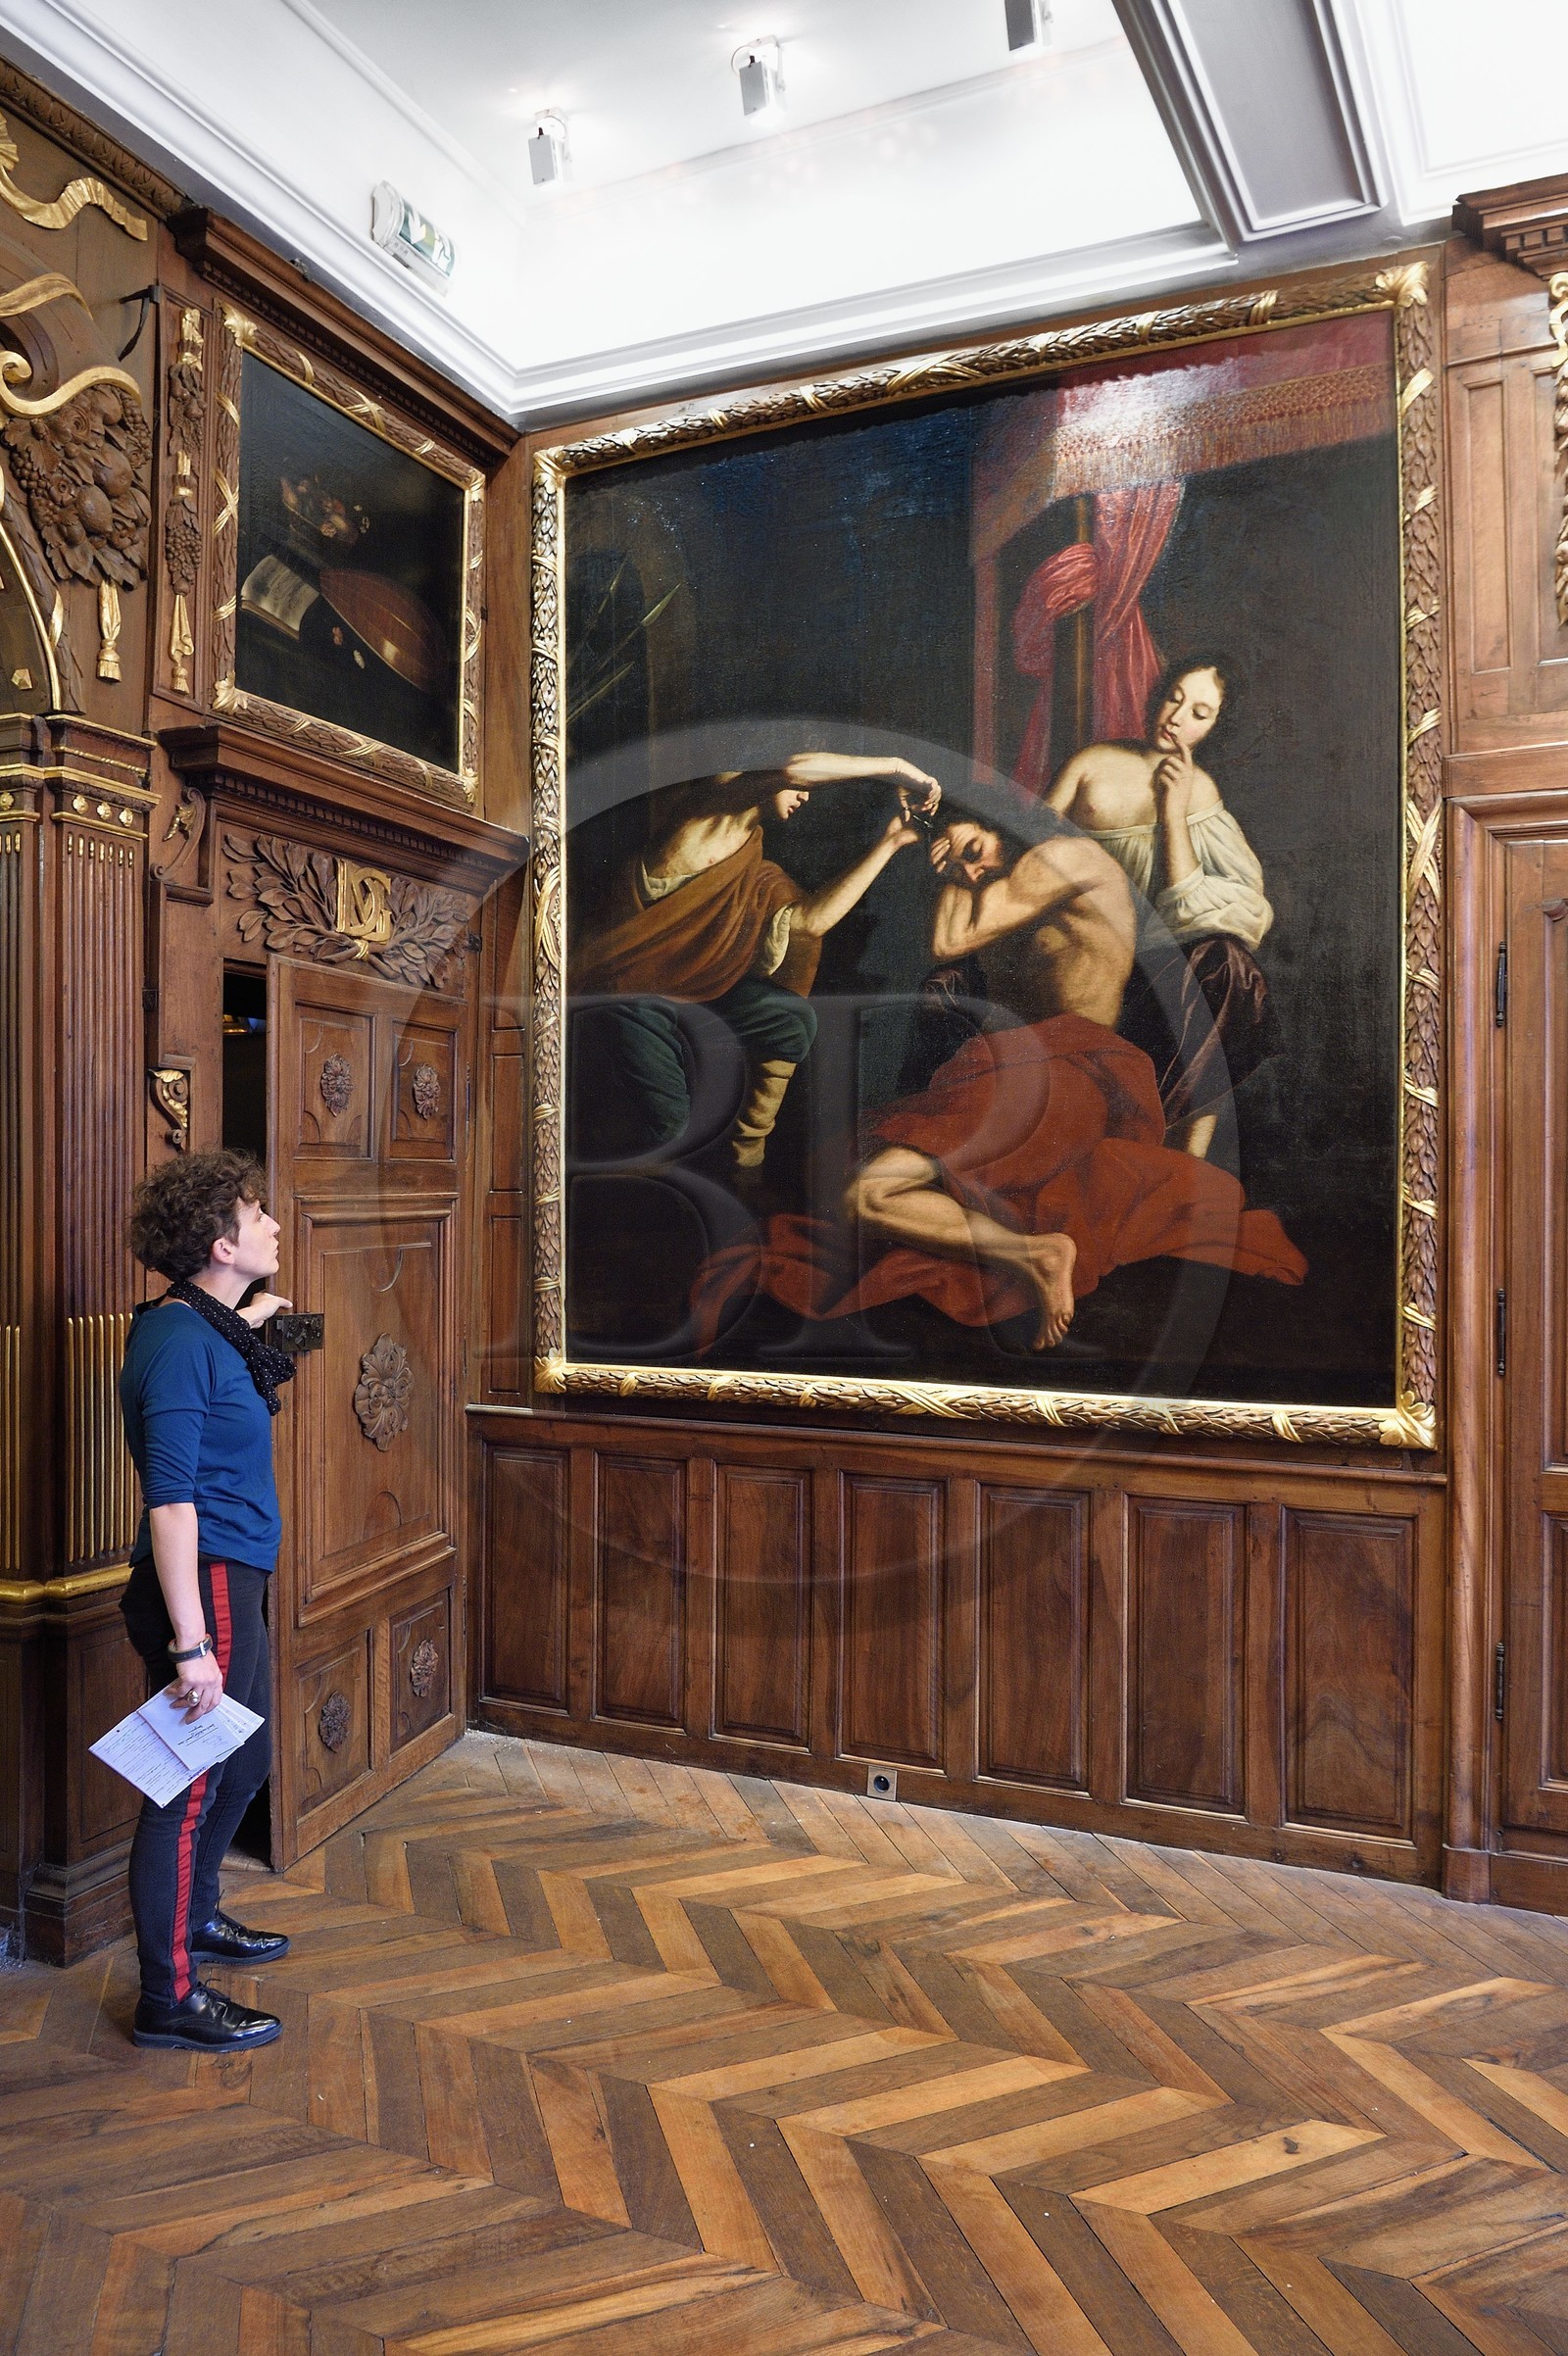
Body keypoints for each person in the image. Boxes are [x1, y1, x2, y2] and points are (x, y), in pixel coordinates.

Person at [693, 810, 1304, 1352]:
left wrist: (949, 871)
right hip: (1019, 1072)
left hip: (1069, 1072)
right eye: (959, 861)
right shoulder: (1008, 904)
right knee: (853, 1193)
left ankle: (1039, 1254)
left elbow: (949, 938)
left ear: (1002, 828)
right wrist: (954, 864)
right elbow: (948, 945)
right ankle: (1034, 1252)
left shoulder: (1066, 856)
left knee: (867, 1194)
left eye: (974, 847)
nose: (972, 868)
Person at [118, 1150, 296, 2052]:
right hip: (208, 1580)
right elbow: (171, 1500)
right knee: (187, 1789)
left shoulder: (201, 1322)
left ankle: (195, 1917)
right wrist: (191, 1643)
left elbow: (236, 1350)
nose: (273, 1225)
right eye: (257, 1215)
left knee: (246, 1758)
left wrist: (255, 1317)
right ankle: (170, 1997)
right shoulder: (180, 1343)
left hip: (234, 1572)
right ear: (222, 1246)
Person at [570, 750, 941, 1180]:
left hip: (689, 991)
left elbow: (809, 923)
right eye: (799, 786)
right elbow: (793, 770)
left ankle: (746, 1154)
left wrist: (890, 842)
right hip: (626, 992)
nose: (805, 795)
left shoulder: (754, 865)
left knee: (790, 1018)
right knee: (669, 1130)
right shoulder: (708, 811)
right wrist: (895, 766)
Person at [1046, 657, 1277, 1157]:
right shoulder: (1092, 761)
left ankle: (1183, 1160)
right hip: (1086, 944)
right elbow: (1033, 850)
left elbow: (1198, 907)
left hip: (1157, 960)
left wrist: (1174, 810)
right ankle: (1145, 1149)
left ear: (1214, 728)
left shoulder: (1201, 790)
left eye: (1199, 713)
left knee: (1227, 965)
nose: (1176, 716)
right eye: (1174, 697)